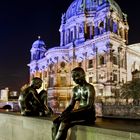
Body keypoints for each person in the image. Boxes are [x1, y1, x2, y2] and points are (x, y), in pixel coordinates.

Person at [52, 67, 96, 140]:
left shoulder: (90, 87)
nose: (73, 79)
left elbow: (89, 106)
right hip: (79, 113)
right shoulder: (75, 89)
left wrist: (71, 113)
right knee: (56, 122)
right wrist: (64, 112)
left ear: (81, 76)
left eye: (74, 77)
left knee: (64, 123)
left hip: (88, 114)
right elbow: (71, 105)